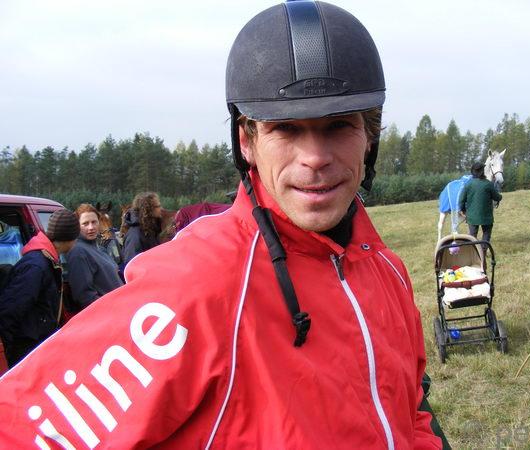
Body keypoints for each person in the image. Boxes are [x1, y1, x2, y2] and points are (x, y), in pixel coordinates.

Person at [0, 2, 441, 448]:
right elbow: (22, 431)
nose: (315, 157)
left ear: (370, 138)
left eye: (338, 125)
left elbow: (411, 412)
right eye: (286, 129)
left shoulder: (387, 270)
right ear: (247, 142)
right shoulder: (196, 285)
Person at [0, 209, 79, 368]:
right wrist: (12, 355)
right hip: (26, 350)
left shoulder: (47, 260)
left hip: (36, 344)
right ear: (69, 238)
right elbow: (10, 310)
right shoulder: (37, 266)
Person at [66, 204, 123, 313]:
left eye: (94, 222)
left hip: (121, 307)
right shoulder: (78, 252)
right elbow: (84, 296)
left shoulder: (99, 248)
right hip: (109, 313)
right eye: (85, 224)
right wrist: (111, 310)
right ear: (77, 225)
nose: (91, 227)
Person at [459, 161, 502, 244]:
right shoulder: (488, 184)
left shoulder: (468, 184)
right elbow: (497, 197)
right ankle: (483, 250)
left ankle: (473, 251)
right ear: (483, 171)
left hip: (472, 217)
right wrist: (500, 195)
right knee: (486, 235)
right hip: (486, 217)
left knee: (472, 237)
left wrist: (463, 210)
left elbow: (461, 200)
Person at [121, 192, 162, 265]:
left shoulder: (151, 230)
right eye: (158, 206)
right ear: (148, 209)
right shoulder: (135, 235)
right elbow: (132, 264)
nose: (161, 209)